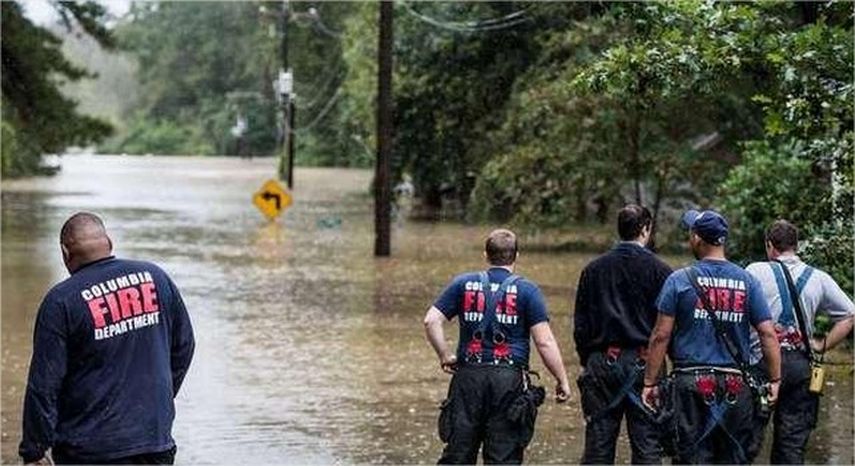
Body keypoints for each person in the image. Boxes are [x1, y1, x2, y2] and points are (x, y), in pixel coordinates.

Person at [19, 212, 195, 465]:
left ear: (65, 254)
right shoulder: (155, 277)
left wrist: (34, 450)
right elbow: (184, 347)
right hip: (154, 442)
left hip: (89, 450)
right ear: (109, 242)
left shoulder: (61, 302)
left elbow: (44, 385)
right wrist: (157, 400)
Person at [641, 209, 781, 464]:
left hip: (690, 385)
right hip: (735, 386)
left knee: (690, 457)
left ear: (697, 238)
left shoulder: (678, 280)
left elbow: (661, 336)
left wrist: (650, 383)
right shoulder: (748, 281)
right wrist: (775, 379)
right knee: (732, 457)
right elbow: (767, 333)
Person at [423, 228, 571, 464]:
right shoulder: (528, 291)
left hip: (468, 378)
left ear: (486, 255)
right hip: (508, 382)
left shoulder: (463, 283)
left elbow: (431, 321)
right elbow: (544, 342)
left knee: (457, 455)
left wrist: (444, 355)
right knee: (503, 457)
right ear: (516, 256)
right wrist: (561, 379)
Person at [745, 220, 854, 464]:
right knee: (791, 446)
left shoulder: (755, 271)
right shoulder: (819, 277)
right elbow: (850, 314)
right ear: (796, 246)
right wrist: (821, 344)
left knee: (746, 441)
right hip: (800, 366)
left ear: (769, 246)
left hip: (760, 364)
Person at [573, 204, 673, 464]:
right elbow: (667, 327)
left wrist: (587, 360)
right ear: (645, 229)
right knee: (647, 443)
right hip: (646, 363)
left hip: (602, 362)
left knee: (598, 443)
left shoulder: (593, 270)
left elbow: (581, 324)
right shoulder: (661, 271)